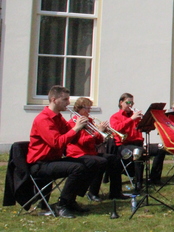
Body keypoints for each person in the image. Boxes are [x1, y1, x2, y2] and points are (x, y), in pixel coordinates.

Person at [27, 86, 103, 218]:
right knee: (77, 168)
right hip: (40, 163)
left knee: (93, 162)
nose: (68, 103)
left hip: (53, 160)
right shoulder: (43, 119)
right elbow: (57, 143)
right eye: (65, 99)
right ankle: (62, 204)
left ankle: (71, 200)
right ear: (54, 100)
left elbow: (70, 136)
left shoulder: (58, 117)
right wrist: (76, 128)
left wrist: (87, 129)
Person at [66, 97, 127, 201]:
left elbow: (97, 142)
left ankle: (115, 192)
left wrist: (103, 133)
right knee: (100, 161)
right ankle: (92, 192)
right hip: (78, 154)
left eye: (90, 108)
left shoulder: (89, 121)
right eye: (87, 108)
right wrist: (98, 132)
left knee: (114, 159)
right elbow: (82, 142)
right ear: (79, 108)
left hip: (90, 152)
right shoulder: (73, 122)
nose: (89, 110)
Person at [109, 93, 145, 193]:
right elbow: (116, 129)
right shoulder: (115, 117)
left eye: (132, 102)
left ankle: (155, 178)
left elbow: (142, 130)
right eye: (128, 102)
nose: (130, 105)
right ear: (121, 103)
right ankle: (138, 183)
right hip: (123, 145)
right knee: (138, 152)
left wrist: (144, 121)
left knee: (160, 149)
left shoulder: (134, 116)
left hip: (137, 143)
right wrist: (131, 119)